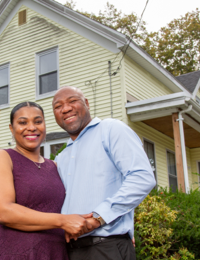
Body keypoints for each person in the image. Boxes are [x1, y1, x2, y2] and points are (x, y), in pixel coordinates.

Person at [51, 86, 156, 260]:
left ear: (87, 103)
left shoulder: (111, 130)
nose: (65, 108)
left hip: (106, 248)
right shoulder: (62, 157)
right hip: (70, 251)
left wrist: (98, 218)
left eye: (72, 101)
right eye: (58, 106)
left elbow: (142, 177)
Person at [0, 101, 95, 260]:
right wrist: (62, 221)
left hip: (55, 253)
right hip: (15, 253)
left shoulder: (56, 166)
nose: (31, 127)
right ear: (11, 128)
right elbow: (3, 212)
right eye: (22, 122)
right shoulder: (2, 157)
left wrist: (119, 231)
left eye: (38, 121)